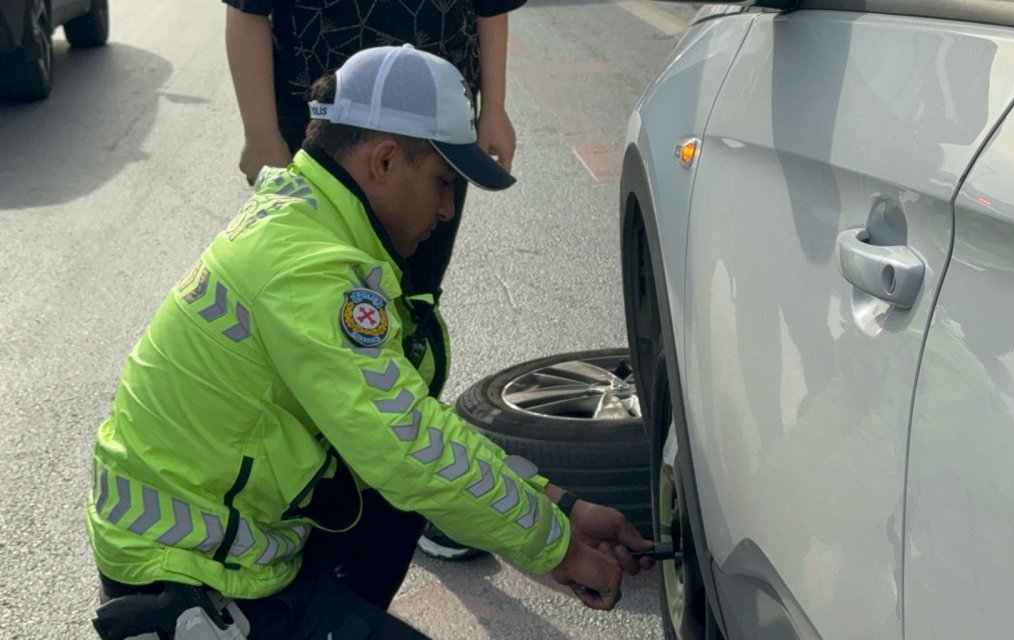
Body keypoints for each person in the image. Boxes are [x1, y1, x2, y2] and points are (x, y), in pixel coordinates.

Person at [87, 46, 652, 639]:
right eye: (442, 181)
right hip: (189, 577)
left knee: (404, 481)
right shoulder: (309, 270)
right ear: (383, 160)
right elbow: (408, 448)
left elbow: (419, 426)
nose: (446, 208)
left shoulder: (308, 219)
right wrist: (557, 547)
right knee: (406, 473)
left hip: (228, 539)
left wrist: (562, 507)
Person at [224, 0, 519, 297]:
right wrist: (261, 134)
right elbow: (247, 9)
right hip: (328, 132)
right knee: (311, 285)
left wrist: (494, 106)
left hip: (438, 133)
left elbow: (491, 8)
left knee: (417, 288)